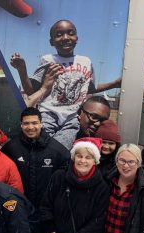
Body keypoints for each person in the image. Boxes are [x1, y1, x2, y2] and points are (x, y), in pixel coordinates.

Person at [10, 20, 120, 148]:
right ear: (51, 41)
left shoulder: (86, 62)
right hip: (48, 113)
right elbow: (31, 91)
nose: (66, 38)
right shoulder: (48, 60)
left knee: (60, 148)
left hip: (73, 117)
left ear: (76, 38)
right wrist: (22, 70)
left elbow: (90, 89)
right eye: (59, 34)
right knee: (40, 145)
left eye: (70, 33)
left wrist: (115, 84)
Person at [1, 107, 68, 233]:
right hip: (19, 212)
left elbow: (65, 182)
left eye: (34, 123)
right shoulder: (11, 148)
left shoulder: (57, 151)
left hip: (46, 212)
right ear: (21, 125)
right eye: (26, 123)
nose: (30, 127)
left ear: (41, 124)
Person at [88, 118, 122, 233]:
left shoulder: (118, 165)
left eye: (111, 143)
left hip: (109, 215)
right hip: (89, 212)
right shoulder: (89, 159)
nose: (107, 147)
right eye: (104, 142)